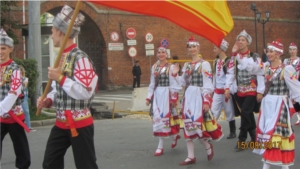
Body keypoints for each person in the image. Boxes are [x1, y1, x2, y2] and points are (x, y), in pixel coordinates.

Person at [36, 5, 98, 169]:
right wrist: (48, 100)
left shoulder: (81, 58)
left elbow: (86, 91)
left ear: (60, 32)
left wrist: (60, 78)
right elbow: (59, 89)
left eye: (53, 30)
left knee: (86, 166)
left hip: (79, 124)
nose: (51, 34)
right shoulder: (62, 57)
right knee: (50, 163)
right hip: (61, 123)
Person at [234, 39, 300, 169]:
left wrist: (296, 106)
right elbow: (251, 67)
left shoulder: (287, 69)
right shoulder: (265, 67)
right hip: (267, 105)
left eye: (272, 51)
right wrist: (237, 55)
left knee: (277, 137)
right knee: (269, 137)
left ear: (279, 53)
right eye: (268, 51)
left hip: (280, 105)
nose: (269, 53)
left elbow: (297, 89)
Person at [173, 36, 223, 165]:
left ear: (198, 48)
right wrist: (176, 75)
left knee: (197, 126)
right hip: (188, 97)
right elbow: (183, 83)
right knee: (187, 126)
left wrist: (207, 101)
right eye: (190, 47)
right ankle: (190, 156)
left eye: (194, 46)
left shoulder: (204, 64)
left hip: (199, 97)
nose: (192, 49)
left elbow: (208, 84)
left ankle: (207, 146)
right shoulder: (187, 65)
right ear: (187, 50)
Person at [224, 30, 264, 151]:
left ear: (248, 43)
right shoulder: (234, 58)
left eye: (243, 40)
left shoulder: (255, 56)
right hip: (239, 89)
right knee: (248, 114)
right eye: (239, 40)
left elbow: (260, 73)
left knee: (245, 112)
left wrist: (260, 91)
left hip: (252, 89)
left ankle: (241, 140)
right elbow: (230, 73)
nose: (240, 42)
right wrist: (227, 87)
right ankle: (254, 138)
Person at [0, 28, 31, 169]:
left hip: (14, 116)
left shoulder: (15, 69)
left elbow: (15, 91)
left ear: (10, 49)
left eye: (3, 48)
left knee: (21, 149)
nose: (0, 52)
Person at [145, 45, 181, 157]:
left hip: (167, 94)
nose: (161, 54)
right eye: (159, 52)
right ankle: (170, 139)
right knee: (158, 118)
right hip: (157, 95)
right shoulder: (154, 66)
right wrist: (148, 96)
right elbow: (152, 83)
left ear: (167, 54)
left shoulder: (171, 67)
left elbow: (174, 83)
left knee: (167, 119)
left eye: (163, 52)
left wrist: (174, 97)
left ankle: (165, 142)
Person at [211, 39, 237, 139]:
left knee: (229, 110)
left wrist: (228, 89)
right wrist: (213, 89)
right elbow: (214, 77)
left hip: (226, 91)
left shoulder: (228, 61)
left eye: (215, 48)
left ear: (221, 49)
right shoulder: (215, 62)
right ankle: (212, 130)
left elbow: (230, 76)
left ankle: (233, 131)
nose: (214, 50)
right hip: (217, 91)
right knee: (213, 111)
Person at [283, 42, 300, 125]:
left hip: (296, 81)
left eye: (294, 49)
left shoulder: (299, 60)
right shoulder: (286, 60)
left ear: (297, 50)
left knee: (297, 100)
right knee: (291, 101)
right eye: (290, 49)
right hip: (288, 83)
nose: (292, 51)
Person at [19, 66, 35, 131]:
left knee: (26, 111)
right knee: (18, 112)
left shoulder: (25, 79)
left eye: (20, 71)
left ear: (22, 72)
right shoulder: (14, 79)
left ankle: (28, 126)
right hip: (16, 97)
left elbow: (25, 86)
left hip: (24, 97)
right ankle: (19, 126)